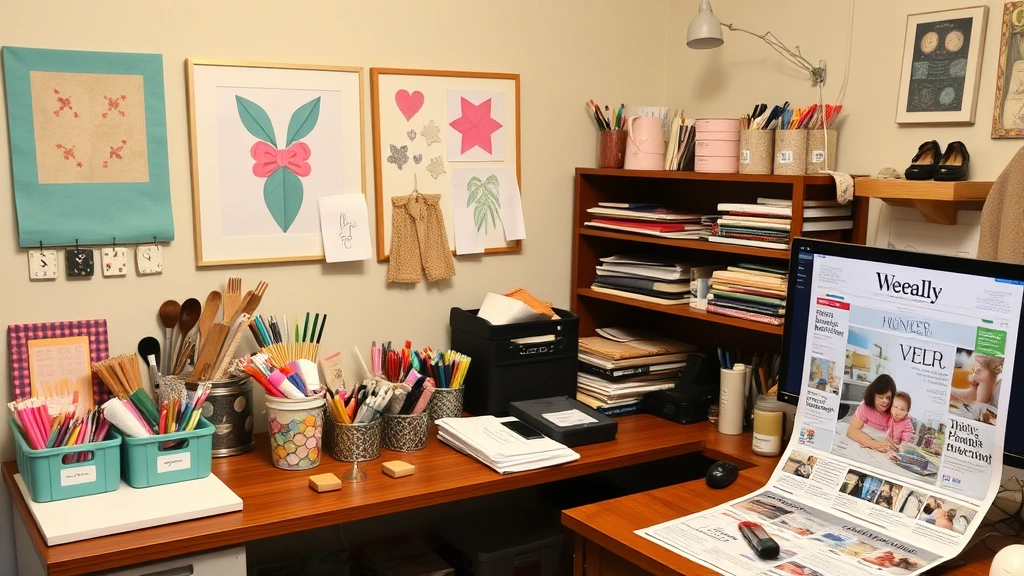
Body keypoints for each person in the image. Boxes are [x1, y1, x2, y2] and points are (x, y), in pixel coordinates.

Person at [846, 374, 897, 452]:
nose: (885, 401)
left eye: (888, 398)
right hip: (861, 446)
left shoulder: (894, 413)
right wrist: (874, 444)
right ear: (873, 396)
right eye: (881, 397)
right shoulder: (865, 407)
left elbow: (894, 440)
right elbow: (851, 432)